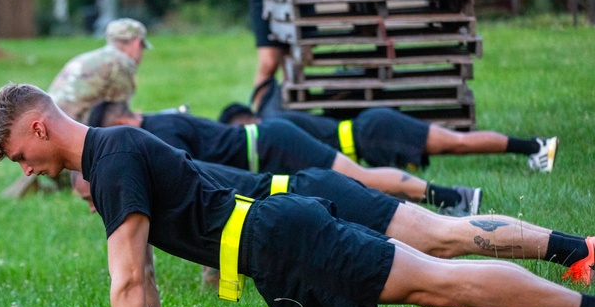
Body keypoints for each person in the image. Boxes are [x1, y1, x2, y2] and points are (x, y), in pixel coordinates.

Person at [0, 83, 595, 307]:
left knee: (440, 277)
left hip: (282, 233)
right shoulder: (113, 152)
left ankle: (584, 306)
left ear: (38, 127)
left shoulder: (111, 161)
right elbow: (139, 276)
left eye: (17, 156)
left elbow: (126, 283)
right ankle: (580, 289)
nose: (25, 170)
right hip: (276, 233)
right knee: (438, 262)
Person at [71, 163, 595, 288]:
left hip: (300, 195)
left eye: (92, 196)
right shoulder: (137, 172)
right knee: (442, 246)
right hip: (294, 204)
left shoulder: (131, 167)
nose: (98, 207)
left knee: (443, 236)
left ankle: (577, 250)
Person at [87, 101, 481, 216]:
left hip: (273, 144)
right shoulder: (162, 120)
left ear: (121, 121)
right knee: (356, 183)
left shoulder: (161, 130)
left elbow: (188, 176)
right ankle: (432, 205)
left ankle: (454, 197)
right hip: (269, 150)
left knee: (361, 177)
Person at [2, 18, 151, 198]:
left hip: (46, 142)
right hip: (69, 150)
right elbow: (119, 121)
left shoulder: (89, 58)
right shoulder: (122, 63)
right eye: (142, 48)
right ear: (136, 43)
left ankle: (43, 187)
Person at [218, 102, 558, 173]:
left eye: (242, 128)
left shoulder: (277, 126)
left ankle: (537, 147)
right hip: (369, 139)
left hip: (372, 133)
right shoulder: (276, 127)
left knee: (456, 143)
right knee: (455, 144)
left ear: (250, 120)